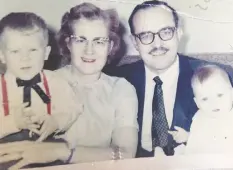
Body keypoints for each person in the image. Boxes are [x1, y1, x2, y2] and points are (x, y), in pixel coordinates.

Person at [0, 3, 138, 170]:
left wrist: (62, 152)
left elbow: (125, 155)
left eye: (99, 41)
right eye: (80, 40)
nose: (89, 50)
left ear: (110, 46)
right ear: (68, 43)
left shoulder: (120, 89)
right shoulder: (42, 82)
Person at [104, 0, 233, 157]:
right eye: (145, 35)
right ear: (134, 42)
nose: (157, 44)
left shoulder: (218, 77)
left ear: (178, 33)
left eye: (165, 32)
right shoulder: (115, 80)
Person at [0, 12, 82, 169]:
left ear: (46, 53)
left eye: (32, 50)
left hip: (48, 149)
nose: (25, 58)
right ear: (2, 56)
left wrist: (56, 121)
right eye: (15, 51)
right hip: (6, 152)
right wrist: (13, 122)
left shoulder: (56, 82)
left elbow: (74, 108)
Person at [184, 65, 233, 154]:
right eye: (205, 99)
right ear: (197, 102)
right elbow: (192, 146)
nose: (213, 103)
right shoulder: (198, 118)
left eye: (219, 95)